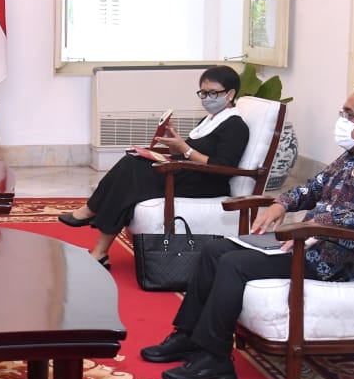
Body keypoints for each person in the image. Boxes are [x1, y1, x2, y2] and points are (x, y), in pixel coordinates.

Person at [141, 82, 354, 379]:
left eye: (349, 115)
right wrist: (280, 204)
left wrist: (321, 221)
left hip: (336, 259)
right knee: (213, 249)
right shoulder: (350, 157)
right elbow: (311, 188)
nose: (341, 120)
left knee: (234, 263)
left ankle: (214, 360)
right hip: (306, 243)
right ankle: (188, 337)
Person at [60, 65, 250, 268]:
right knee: (131, 164)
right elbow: (189, 152)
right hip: (189, 173)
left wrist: (184, 149)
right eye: (203, 93)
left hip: (207, 183)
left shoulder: (235, 126)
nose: (206, 98)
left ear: (230, 94)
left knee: (131, 172)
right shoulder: (209, 120)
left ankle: (92, 213)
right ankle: (99, 249)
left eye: (213, 93)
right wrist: (175, 143)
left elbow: (222, 166)